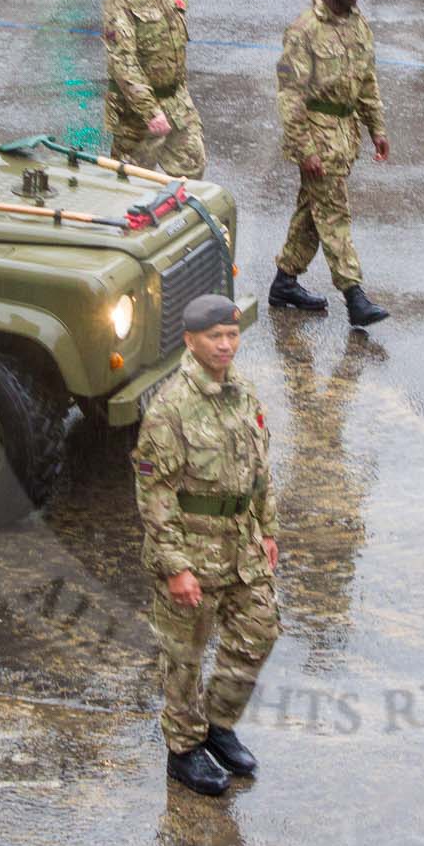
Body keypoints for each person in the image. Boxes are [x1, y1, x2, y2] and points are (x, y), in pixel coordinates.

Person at [134, 293, 279, 797]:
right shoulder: (169, 408)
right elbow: (155, 495)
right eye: (214, 337)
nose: (225, 345)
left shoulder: (244, 392)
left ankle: (217, 724)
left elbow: (260, 469)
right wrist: (175, 566)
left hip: (242, 545)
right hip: (192, 549)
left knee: (260, 630)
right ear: (190, 341)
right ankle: (184, 750)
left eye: (232, 335)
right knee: (184, 655)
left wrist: (268, 528)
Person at [268, 0, 391, 328]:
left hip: (345, 136)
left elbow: (366, 81)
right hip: (317, 138)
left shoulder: (358, 25)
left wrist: (377, 128)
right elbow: (290, 96)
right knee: (334, 214)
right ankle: (355, 296)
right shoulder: (304, 31)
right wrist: (305, 149)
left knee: (312, 212)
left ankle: (284, 282)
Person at [101, 0, 205, 177]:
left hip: (178, 104)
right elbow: (124, 63)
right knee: (132, 185)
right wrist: (151, 111)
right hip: (137, 115)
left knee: (191, 174)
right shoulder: (121, 2)